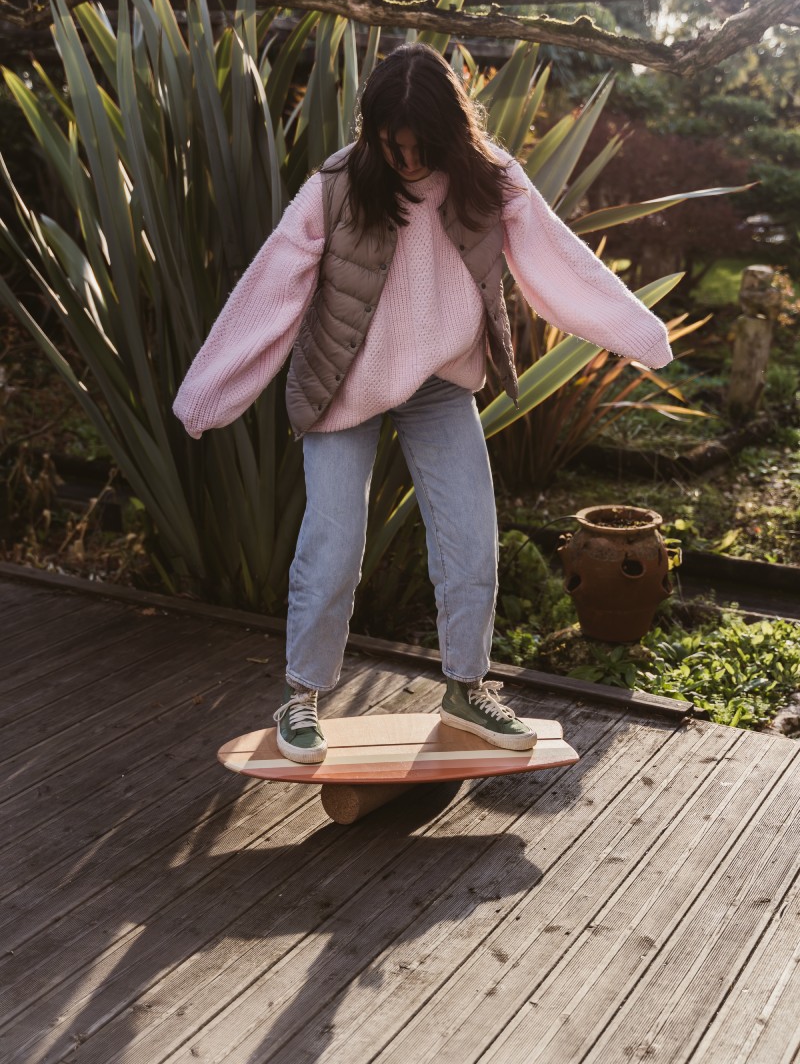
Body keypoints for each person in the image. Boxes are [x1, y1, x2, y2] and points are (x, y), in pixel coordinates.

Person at [173, 42, 673, 765]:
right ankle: (301, 698)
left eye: (421, 145)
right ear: (371, 129)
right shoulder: (338, 187)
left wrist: (640, 334)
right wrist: (205, 398)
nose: (407, 160)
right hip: (344, 385)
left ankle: (467, 692)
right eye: (391, 143)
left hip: (440, 386)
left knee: (472, 539)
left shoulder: (488, 179)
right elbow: (267, 292)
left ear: (451, 130)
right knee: (334, 545)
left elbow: (558, 261)